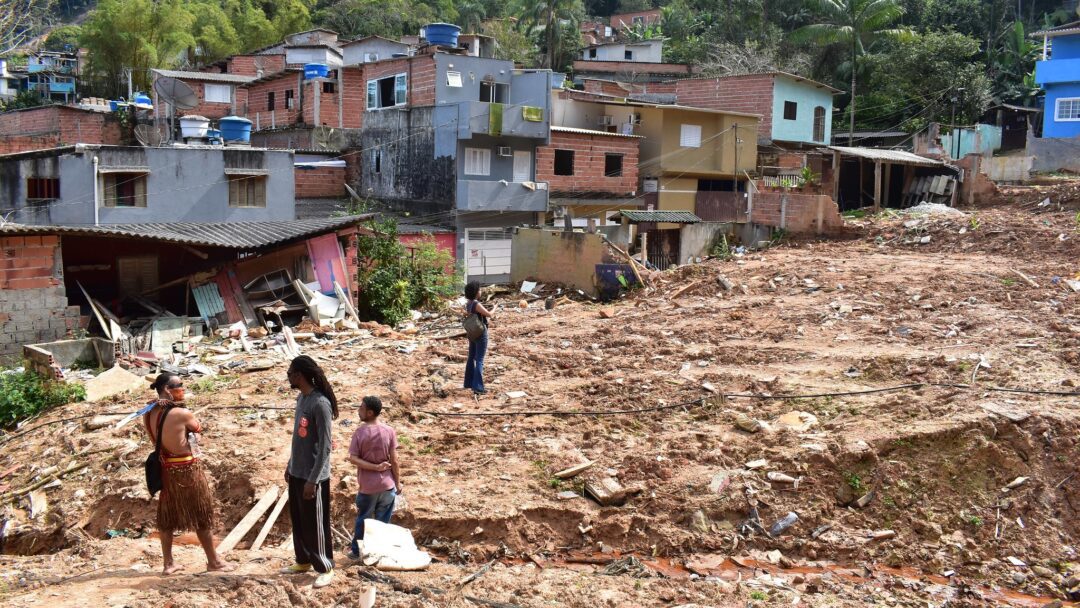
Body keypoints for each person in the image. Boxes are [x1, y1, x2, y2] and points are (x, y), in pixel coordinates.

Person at [143, 373, 233, 575]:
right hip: (187, 471)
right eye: (179, 386)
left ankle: (168, 564)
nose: (182, 389)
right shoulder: (181, 413)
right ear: (167, 389)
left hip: (166, 469)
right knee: (202, 514)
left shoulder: (148, 413)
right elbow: (197, 429)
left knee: (167, 516)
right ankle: (213, 561)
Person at [281, 355, 338, 588]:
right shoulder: (301, 399)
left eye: (290, 373)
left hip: (314, 477)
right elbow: (298, 439)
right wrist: (290, 465)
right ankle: (303, 560)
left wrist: (313, 480)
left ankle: (325, 566)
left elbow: (325, 446)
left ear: (300, 375)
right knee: (300, 520)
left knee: (316, 523)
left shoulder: (320, 403)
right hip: (297, 471)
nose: (288, 377)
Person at [345, 396, 400, 560]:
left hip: (368, 487)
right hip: (387, 486)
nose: (358, 411)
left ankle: (356, 552)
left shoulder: (360, 432)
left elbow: (353, 458)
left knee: (363, 519)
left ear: (369, 413)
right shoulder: (389, 431)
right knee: (383, 523)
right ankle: (378, 553)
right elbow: (395, 461)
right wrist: (397, 483)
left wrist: (374, 467)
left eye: (361, 408)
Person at [463, 281, 493, 395]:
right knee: (479, 359)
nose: (481, 291)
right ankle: (478, 387)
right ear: (476, 292)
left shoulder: (469, 303)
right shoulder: (476, 303)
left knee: (471, 357)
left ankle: (469, 383)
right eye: (479, 290)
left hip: (472, 332)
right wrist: (495, 308)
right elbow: (489, 314)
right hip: (481, 332)